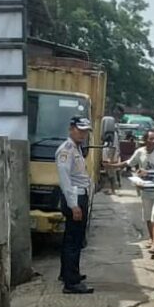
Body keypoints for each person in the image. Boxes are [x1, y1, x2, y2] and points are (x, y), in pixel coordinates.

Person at [56, 116, 95, 294]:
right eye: (80, 130)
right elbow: (65, 180)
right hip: (75, 199)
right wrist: (74, 205)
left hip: (79, 197)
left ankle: (68, 273)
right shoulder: (66, 150)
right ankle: (71, 284)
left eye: (85, 131)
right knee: (74, 241)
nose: (83, 134)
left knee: (72, 239)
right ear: (71, 128)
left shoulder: (77, 149)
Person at [121, 130, 154, 258]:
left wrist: (149, 173)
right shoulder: (140, 152)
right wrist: (113, 165)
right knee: (147, 217)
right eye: (151, 139)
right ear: (145, 140)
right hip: (144, 191)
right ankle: (152, 239)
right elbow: (129, 163)